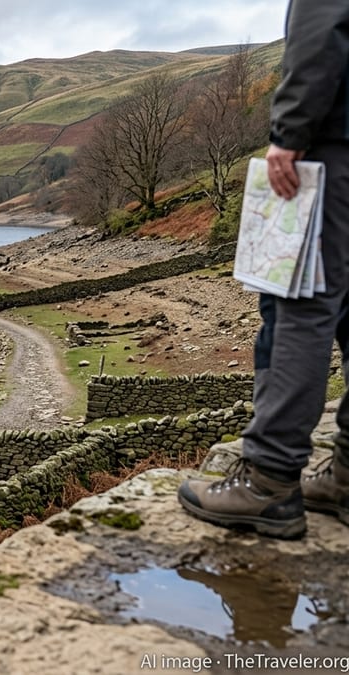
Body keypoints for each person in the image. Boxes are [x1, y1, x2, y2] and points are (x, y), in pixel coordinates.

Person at [177, 0, 349, 538]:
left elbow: (324, 25)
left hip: (335, 147)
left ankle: (268, 482)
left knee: (298, 301)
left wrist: (290, 132)